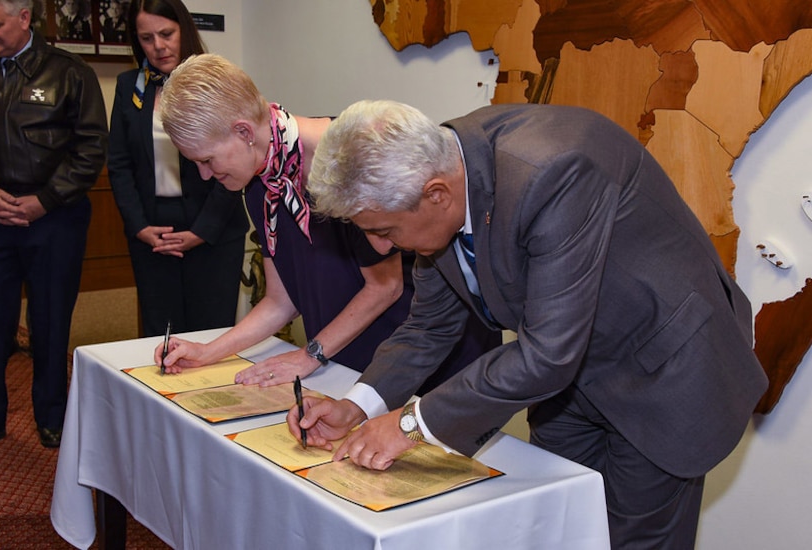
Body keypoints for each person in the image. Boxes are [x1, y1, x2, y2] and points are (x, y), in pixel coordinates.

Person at [289, 99, 769, 549]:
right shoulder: (442, 180)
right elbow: (429, 327)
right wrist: (358, 405)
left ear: (436, 194)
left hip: (663, 373)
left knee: (630, 543)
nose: (379, 247)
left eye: (383, 230)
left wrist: (410, 425)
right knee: (556, 524)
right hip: (570, 385)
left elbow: (545, 354)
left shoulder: (554, 170)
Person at [155, 54, 499, 394]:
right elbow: (280, 300)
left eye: (206, 160)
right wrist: (208, 352)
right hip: (345, 363)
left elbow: (385, 286)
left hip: (424, 358)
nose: (204, 174)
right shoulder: (262, 183)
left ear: (244, 131)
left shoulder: (346, 158)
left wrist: (309, 355)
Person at [0, 0, 108, 447]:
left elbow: (91, 148)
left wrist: (44, 200)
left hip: (55, 220)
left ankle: (53, 417)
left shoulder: (70, 72)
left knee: (50, 322)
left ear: (24, 18)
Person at [108, 0, 249, 338]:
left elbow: (238, 162)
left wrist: (202, 231)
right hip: (153, 233)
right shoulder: (131, 86)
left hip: (213, 229)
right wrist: (139, 226)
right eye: (146, 37)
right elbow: (120, 163)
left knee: (211, 337)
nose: (158, 46)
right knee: (162, 339)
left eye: (166, 33)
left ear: (184, 28)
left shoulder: (220, 81)